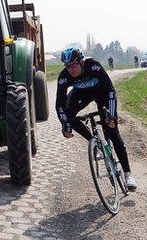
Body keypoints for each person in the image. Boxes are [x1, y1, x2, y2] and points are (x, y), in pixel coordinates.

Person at [56, 47, 137, 190]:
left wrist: (111, 115)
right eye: (67, 66)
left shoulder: (93, 65)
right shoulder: (64, 76)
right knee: (68, 117)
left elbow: (111, 90)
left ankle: (128, 174)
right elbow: (60, 104)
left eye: (74, 65)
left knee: (112, 129)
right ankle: (95, 143)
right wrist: (65, 124)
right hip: (81, 94)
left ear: (81, 62)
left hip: (102, 93)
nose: (71, 69)